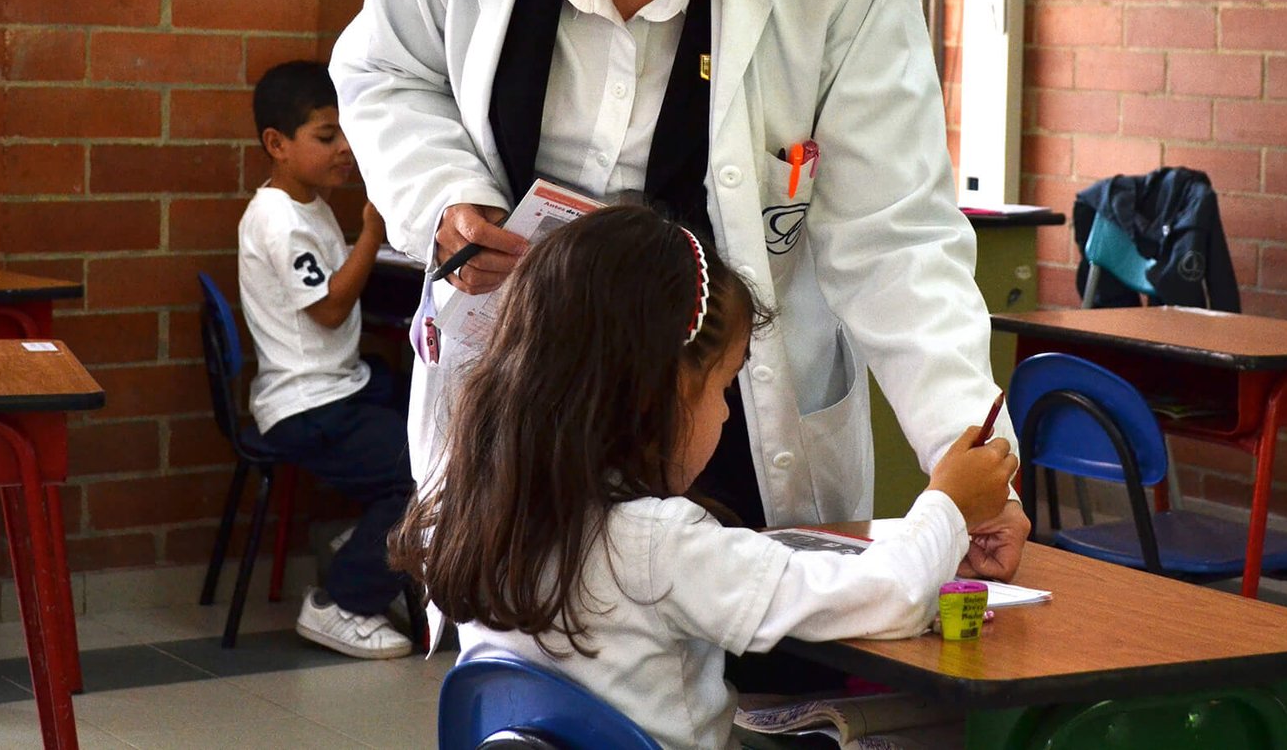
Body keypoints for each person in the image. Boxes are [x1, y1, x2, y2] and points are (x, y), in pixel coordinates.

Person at [330, 0, 1030, 577]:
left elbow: (894, 233)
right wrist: (443, 199)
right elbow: (387, 71)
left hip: (724, 396)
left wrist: (968, 450)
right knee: (538, 649)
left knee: (763, 665)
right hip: (527, 386)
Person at [389, 205, 1018, 750]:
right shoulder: (657, 544)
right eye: (722, 387)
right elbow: (888, 595)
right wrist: (950, 504)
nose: (724, 413)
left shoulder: (468, 510)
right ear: (655, 395)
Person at [238, 60, 414, 659]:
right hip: (307, 405)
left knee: (424, 409)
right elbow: (331, 309)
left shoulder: (307, 202)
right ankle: (343, 602)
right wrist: (372, 232)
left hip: (340, 386)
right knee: (425, 475)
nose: (344, 150)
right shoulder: (279, 220)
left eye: (347, 135)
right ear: (276, 145)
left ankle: (366, 543)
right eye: (326, 137)